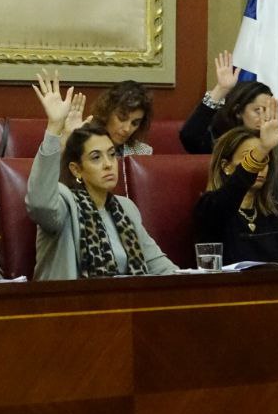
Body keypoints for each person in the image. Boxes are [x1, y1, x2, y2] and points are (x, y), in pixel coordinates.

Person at [27, 71, 177, 280]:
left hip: (124, 306)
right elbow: (39, 204)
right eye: (96, 157)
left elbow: (159, 266)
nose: (108, 164)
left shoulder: (126, 208)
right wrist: (55, 129)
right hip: (68, 307)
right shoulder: (64, 204)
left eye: (112, 155)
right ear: (76, 169)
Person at [179, 51, 278, 204]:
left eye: (268, 111)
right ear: (238, 112)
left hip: (268, 221)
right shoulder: (223, 144)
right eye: (258, 110)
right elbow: (189, 136)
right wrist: (221, 90)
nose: (265, 117)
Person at [192, 100, 278, 265]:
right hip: (226, 289)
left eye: (265, 160)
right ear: (226, 166)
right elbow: (230, 195)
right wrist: (262, 149)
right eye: (250, 158)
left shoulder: (272, 214)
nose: (261, 166)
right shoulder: (210, 206)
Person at [90, 79, 155, 156]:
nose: (127, 129)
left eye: (135, 123)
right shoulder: (84, 145)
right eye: (122, 118)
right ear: (106, 112)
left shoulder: (142, 152)